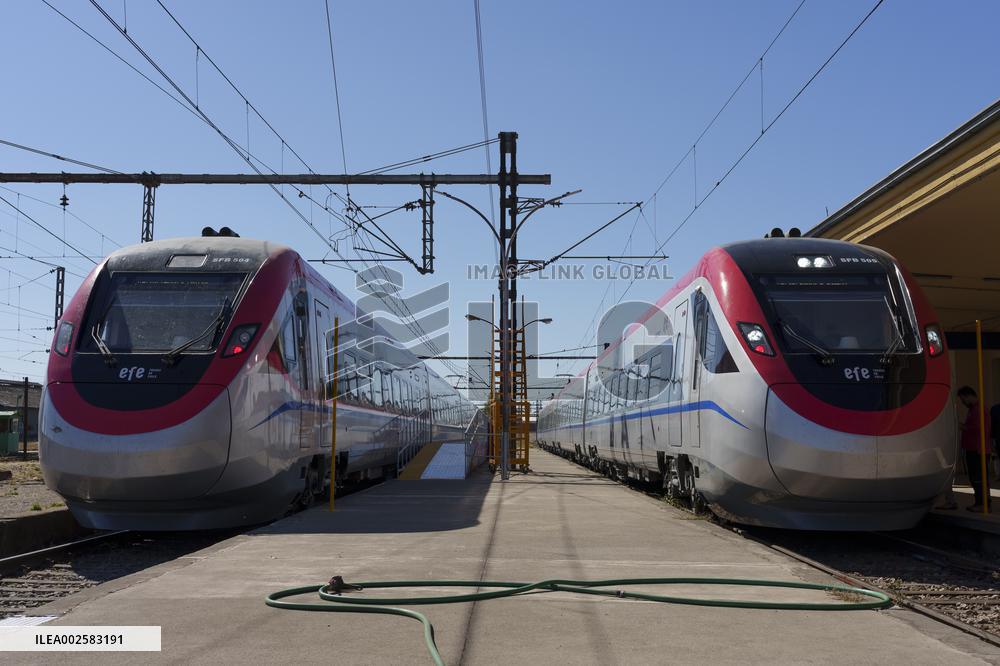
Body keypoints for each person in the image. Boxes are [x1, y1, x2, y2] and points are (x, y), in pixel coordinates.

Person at [957, 386, 992, 512]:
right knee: (978, 478)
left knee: (978, 478)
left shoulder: (978, 410)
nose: (963, 403)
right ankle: (982, 503)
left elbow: (977, 428)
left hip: (977, 450)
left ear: (968, 396)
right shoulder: (975, 409)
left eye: (962, 400)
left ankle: (982, 504)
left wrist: (960, 425)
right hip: (976, 448)